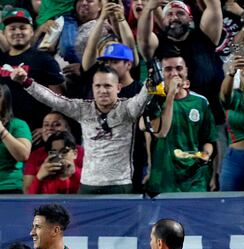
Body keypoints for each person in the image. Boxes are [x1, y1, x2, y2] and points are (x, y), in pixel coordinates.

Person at [12, 64, 149, 194]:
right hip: (88, 185)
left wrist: (151, 81)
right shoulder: (83, 109)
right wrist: (26, 82)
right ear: (93, 88)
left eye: (107, 86)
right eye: (98, 86)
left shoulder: (128, 109)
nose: (102, 91)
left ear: (118, 87)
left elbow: (144, 97)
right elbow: (53, 99)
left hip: (120, 185)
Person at [137, 0, 225, 124]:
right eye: (169, 14)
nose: (174, 17)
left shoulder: (204, 36)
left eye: (180, 13)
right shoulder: (157, 44)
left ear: (190, 18)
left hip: (210, 118)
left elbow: (214, 6)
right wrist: (149, 8)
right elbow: (143, 38)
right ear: (163, 20)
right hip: (172, 122)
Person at [146, 55, 217, 194]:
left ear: (186, 71)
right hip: (163, 177)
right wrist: (171, 93)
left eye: (179, 68)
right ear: (161, 73)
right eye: (168, 69)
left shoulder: (200, 102)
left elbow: (209, 139)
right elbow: (157, 131)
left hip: (194, 178)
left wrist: (206, 154)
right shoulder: (153, 101)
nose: (174, 74)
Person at [0, 8, 65, 130]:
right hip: (2, 130)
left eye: (23, 28)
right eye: (12, 29)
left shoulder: (45, 60)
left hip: (34, 131)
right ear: (4, 33)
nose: (17, 32)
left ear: (32, 31)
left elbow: (59, 100)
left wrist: (46, 128)